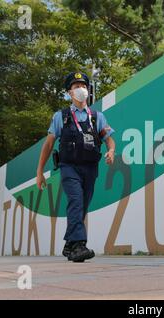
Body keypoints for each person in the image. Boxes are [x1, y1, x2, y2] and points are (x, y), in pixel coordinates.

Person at [36, 72, 116, 263]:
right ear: (69, 92)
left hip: (90, 168)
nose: (80, 89)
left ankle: (69, 245)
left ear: (88, 91)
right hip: (69, 166)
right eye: (76, 86)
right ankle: (79, 245)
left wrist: (111, 151)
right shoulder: (61, 117)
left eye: (83, 85)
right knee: (76, 201)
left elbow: (109, 140)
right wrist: (39, 171)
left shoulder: (97, 117)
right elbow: (48, 145)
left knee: (82, 207)